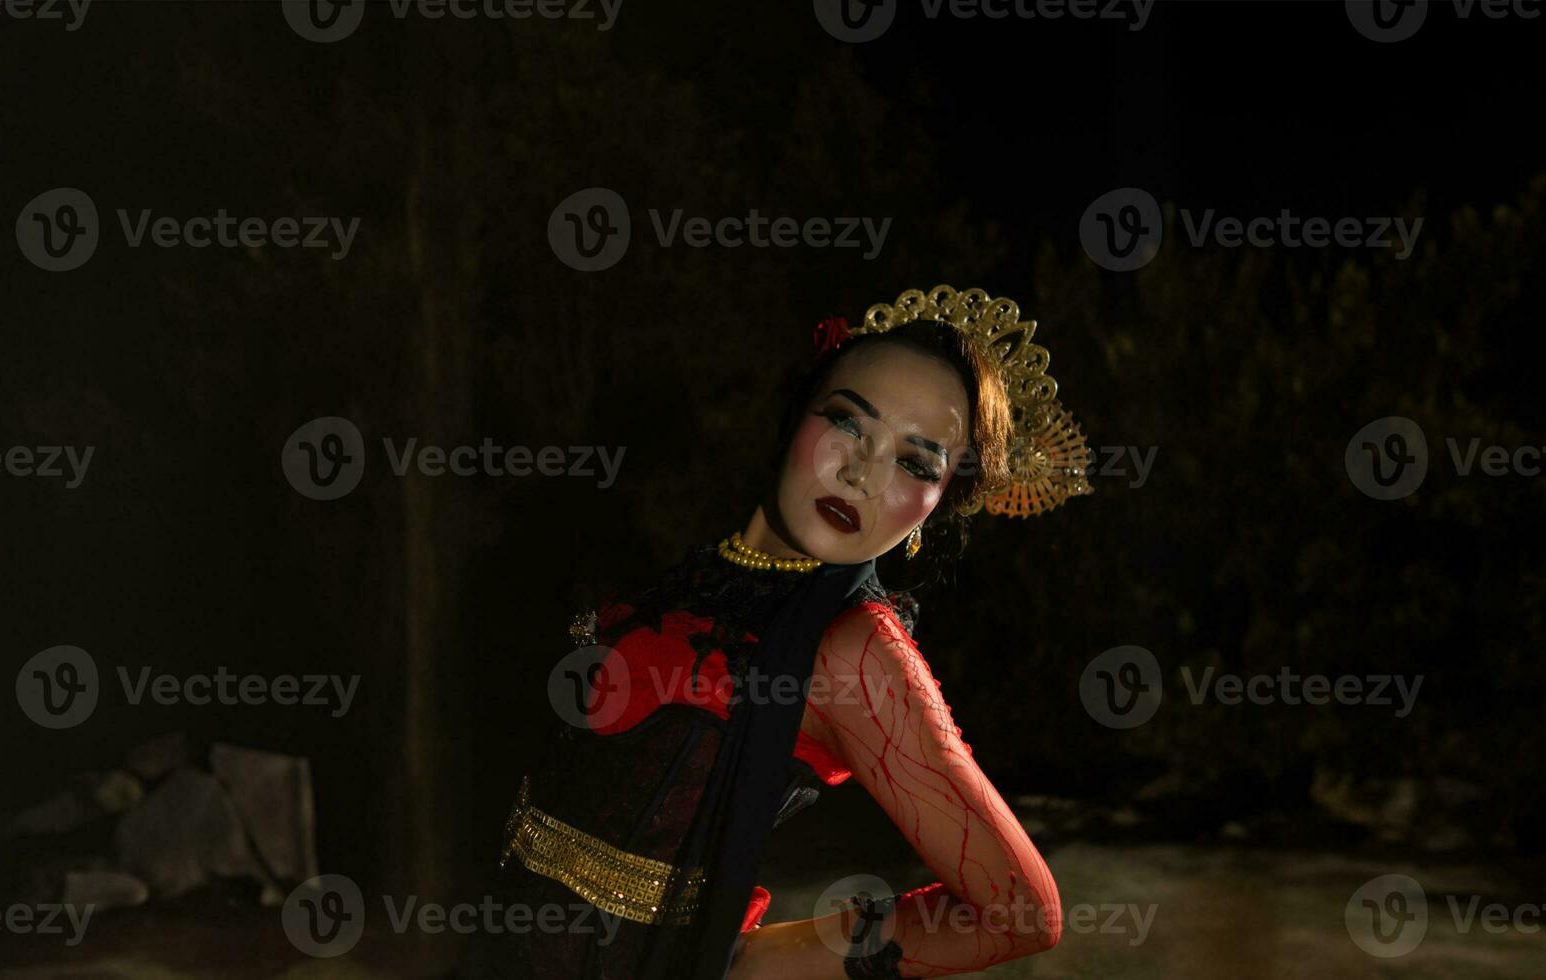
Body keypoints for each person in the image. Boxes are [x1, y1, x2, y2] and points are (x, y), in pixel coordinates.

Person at [463, 285, 1092, 979]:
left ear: (937, 506)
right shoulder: (689, 572)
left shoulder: (859, 653)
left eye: (915, 463)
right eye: (849, 423)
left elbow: (1018, 913)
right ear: (796, 415)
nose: (861, 473)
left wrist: (748, 961)